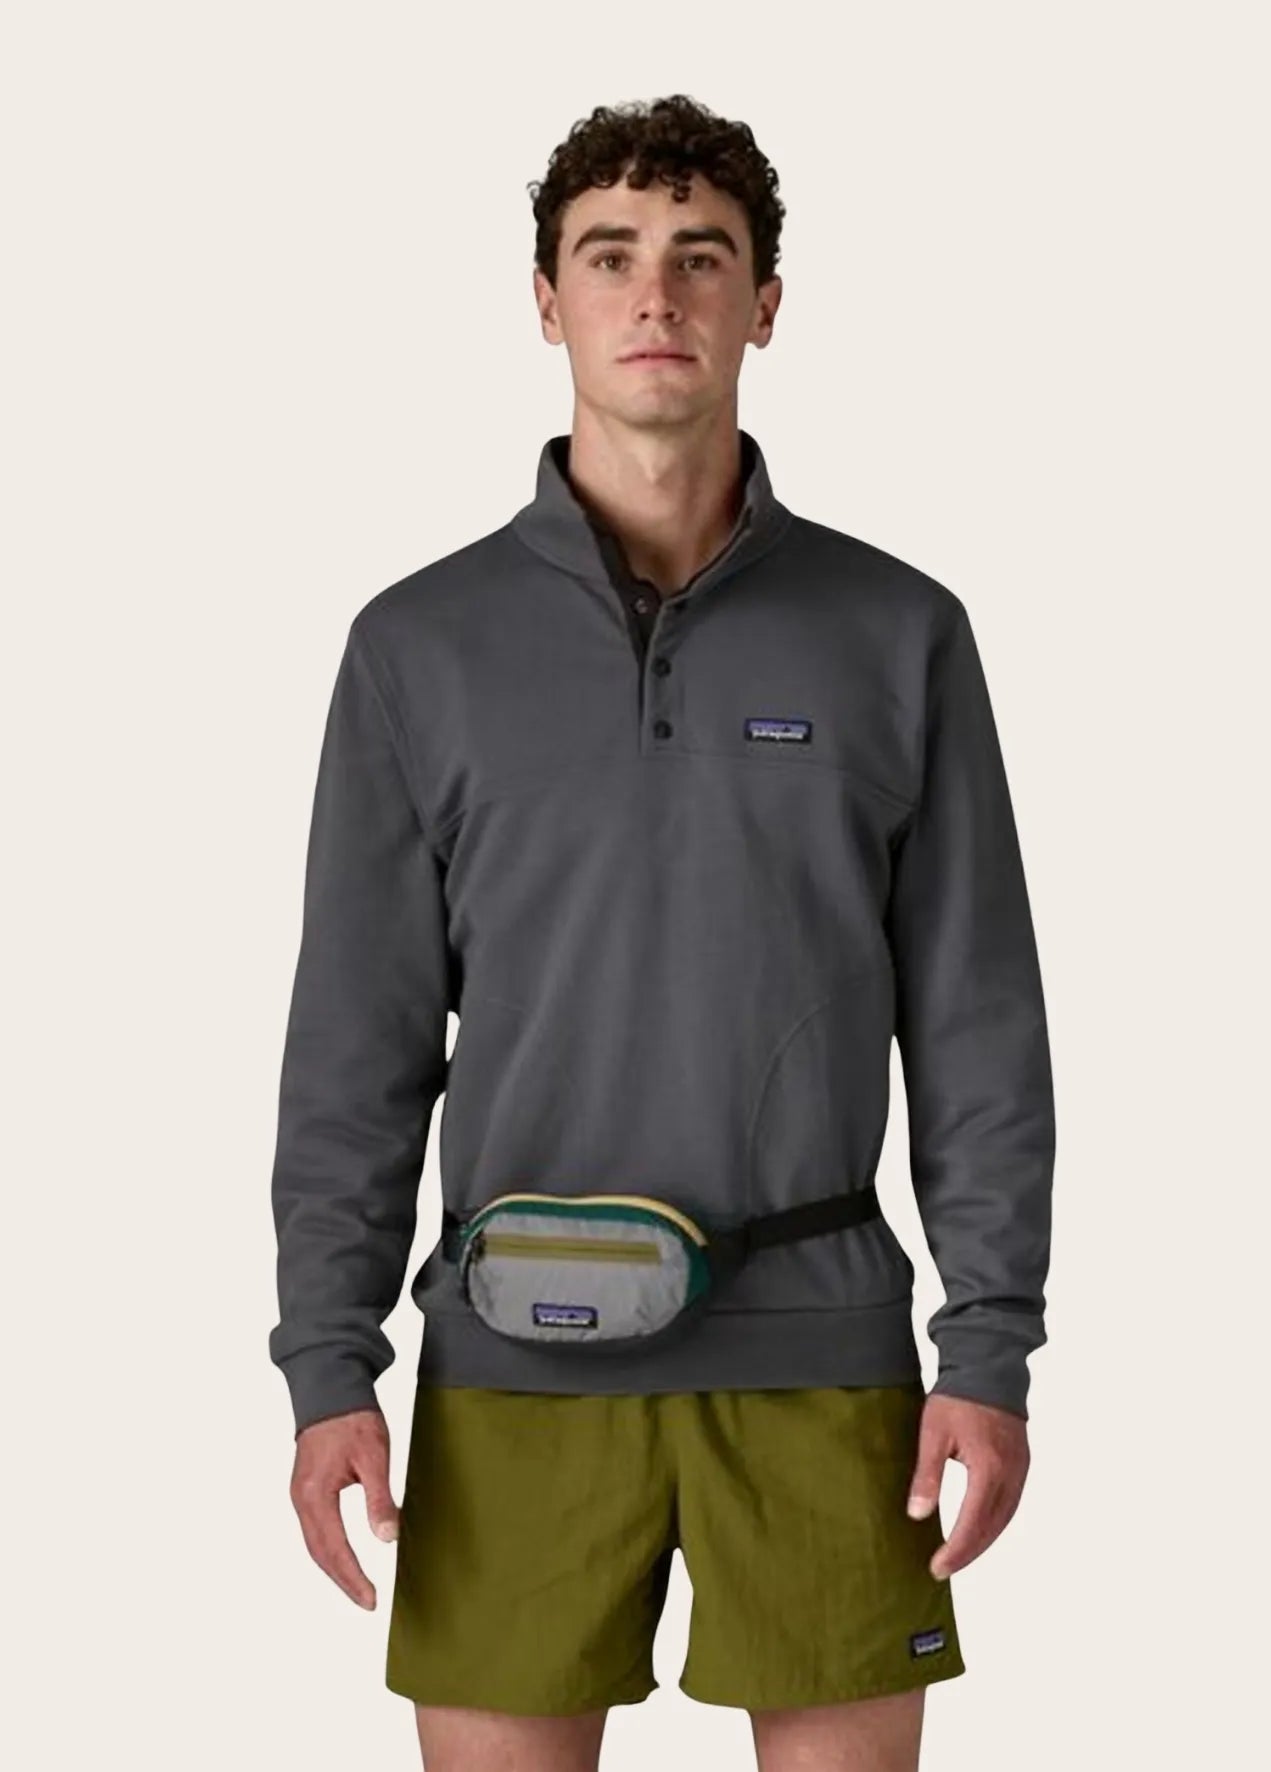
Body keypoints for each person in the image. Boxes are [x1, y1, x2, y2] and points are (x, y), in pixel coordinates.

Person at [269, 93, 1056, 1772]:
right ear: (543, 300)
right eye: (609, 255)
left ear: (762, 305)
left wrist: (986, 1347)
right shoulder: (418, 647)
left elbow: (977, 1026)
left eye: (701, 258)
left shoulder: (897, 631)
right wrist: (330, 1365)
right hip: (512, 1362)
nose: (655, 294)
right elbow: (357, 1045)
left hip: (824, 1361)